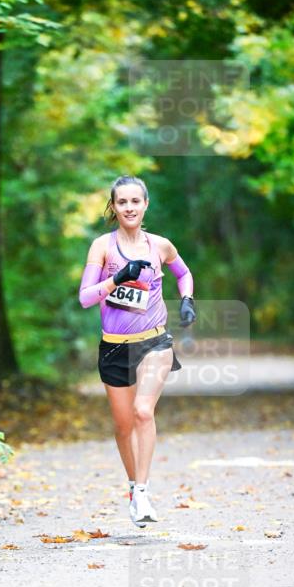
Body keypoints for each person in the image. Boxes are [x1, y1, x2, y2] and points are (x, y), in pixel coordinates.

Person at [78, 175, 196, 528]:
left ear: (146, 205)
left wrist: (187, 299)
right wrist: (118, 277)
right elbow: (85, 298)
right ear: (113, 208)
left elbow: (184, 272)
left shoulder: (160, 246)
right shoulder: (102, 246)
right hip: (114, 348)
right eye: (122, 202)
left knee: (144, 411)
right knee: (123, 424)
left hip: (154, 342)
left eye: (135, 201)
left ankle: (143, 492)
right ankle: (133, 487)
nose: (129, 207)